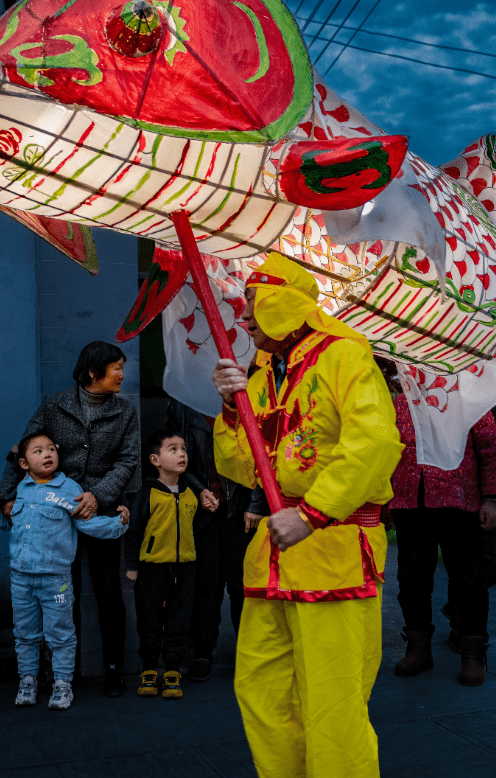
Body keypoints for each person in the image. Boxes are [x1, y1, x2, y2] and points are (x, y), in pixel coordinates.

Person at [211, 253, 403, 778]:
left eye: (250, 302)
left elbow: (376, 441)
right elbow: (239, 465)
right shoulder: (263, 373)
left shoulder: (344, 354)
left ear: (281, 300)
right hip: (274, 554)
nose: (242, 316)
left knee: (332, 701)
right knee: (261, 689)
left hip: (333, 545)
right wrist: (233, 406)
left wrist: (313, 514)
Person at [0, 340, 140, 697]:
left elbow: (127, 460)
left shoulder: (125, 412)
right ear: (93, 372)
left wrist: (97, 495)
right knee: (60, 594)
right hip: (54, 515)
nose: (122, 373)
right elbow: (21, 450)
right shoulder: (55, 405)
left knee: (108, 593)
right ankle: (61, 676)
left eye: (122, 367)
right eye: (116, 367)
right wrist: (9, 496)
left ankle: (114, 669)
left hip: (99, 511)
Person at [0, 432, 130, 711]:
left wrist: (118, 524)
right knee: (25, 633)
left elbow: (89, 524)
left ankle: (63, 683)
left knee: (60, 633)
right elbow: (7, 526)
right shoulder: (20, 492)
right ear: (24, 464)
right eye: (38, 451)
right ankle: (28, 681)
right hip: (21, 577)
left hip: (56, 580)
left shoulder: (68, 488)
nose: (47, 454)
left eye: (51, 449)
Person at [385, 365, 496, 686]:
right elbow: (386, 450)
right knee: (411, 581)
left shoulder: (468, 397)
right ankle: (419, 648)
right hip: (411, 501)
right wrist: (384, 497)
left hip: (459, 500)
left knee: (469, 582)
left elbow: (490, 450)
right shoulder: (400, 403)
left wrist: (491, 499)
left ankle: (472, 653)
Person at [165, 397, 256, 682]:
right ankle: (203, 651)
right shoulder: (183, 403)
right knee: (206, 585)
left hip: (241, 508)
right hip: (201, 509)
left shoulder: (249, 396)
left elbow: (263, 454)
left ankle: (249, 654)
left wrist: (255, 505)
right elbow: (171, 454)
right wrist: (200, 490)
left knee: (243, 586)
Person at [124, 429, 218, 699]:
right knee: (150, 621)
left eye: (184, 449)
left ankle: (173, 671)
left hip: (185, 569)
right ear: (155, 459)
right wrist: (133, 565)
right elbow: (134, 532)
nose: (181, 454)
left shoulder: (191, 495)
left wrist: (209, 512)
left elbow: (195, 528)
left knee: (179, 621)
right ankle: (150, 670)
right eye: (173, 449)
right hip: (152, 569)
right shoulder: (147, 494)